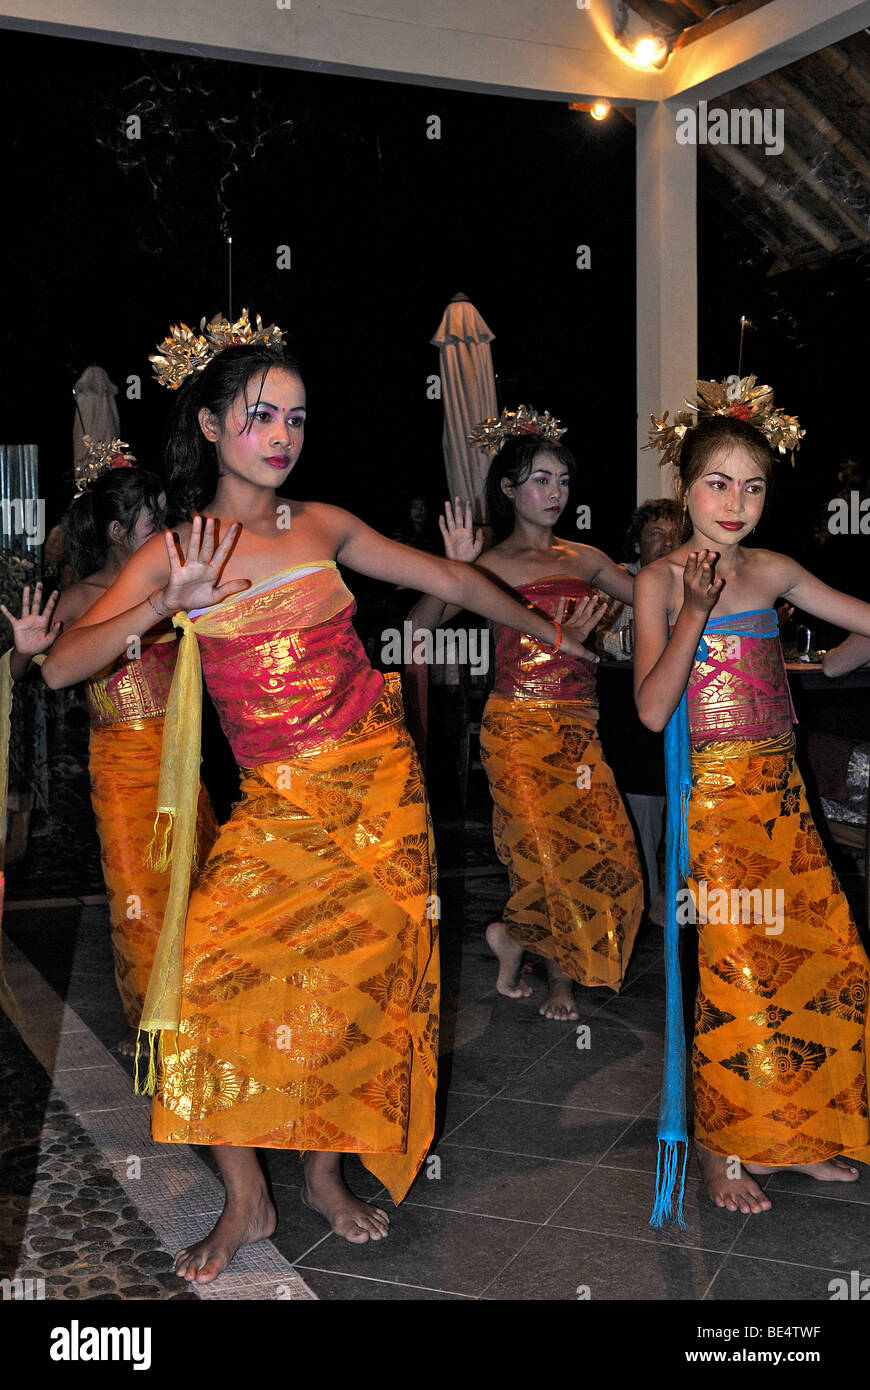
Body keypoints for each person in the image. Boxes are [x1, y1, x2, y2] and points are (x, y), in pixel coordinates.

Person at [41, 316, 602, 1283]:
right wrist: (167, 601)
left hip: (380, 792)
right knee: (205, 976)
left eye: (296, 418)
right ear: (213, 425)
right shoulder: (178, 548)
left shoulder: (325, 525)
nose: (283, 434)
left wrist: (564, 640)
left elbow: (452, 580)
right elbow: (61, 667)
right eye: (261, 415)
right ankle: (245, 1192)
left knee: (359, 991)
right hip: (275, 805)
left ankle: (326, 1175)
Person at [636, 384, 870, 1222]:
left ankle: (795, 1132)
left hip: (781, 799)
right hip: (714, 809)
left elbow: (860, 623)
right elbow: (653, 710)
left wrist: (839, 659)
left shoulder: (772, 570)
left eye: (754, 486)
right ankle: (722, 1151)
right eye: (718, 484)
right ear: (686, 488)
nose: (736, 504)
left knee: (822, 957)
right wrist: (695, 613)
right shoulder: (660, 580)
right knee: (737, 974)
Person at [409, 407, 644, 1022]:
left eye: (563, 481)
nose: (556, 493)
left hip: (579, 729)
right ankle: (559, 983)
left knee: (610, 856)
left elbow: (659, 603)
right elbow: (414, 632)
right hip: (515, 729)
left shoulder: (587, 558)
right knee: (549, 858)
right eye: (542, 480)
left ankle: (513, 938)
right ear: (510, 489)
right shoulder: (487, 565)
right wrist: (454, 569)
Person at [1, 453, 217, 1053]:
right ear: (120, 531)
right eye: (154, 518)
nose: (166, 525)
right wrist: (23, 651)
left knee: (195, 880)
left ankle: (201, 1006)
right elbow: (32, 670)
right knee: (138, 892)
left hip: (180, 754)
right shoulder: (79, 597)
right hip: (120, 763)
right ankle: (152, 1024)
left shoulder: (178, 585)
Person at [598, 499, 681, 923]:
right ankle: (650, 894)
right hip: (626, 704)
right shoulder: (618, 580)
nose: (667, 543)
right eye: (655, 535)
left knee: (680, 800)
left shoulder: (696, 581)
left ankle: (677, 894)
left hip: (681, 705)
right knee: (642, 805)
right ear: (637, 544)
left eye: (674, 535)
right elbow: (605, 640)